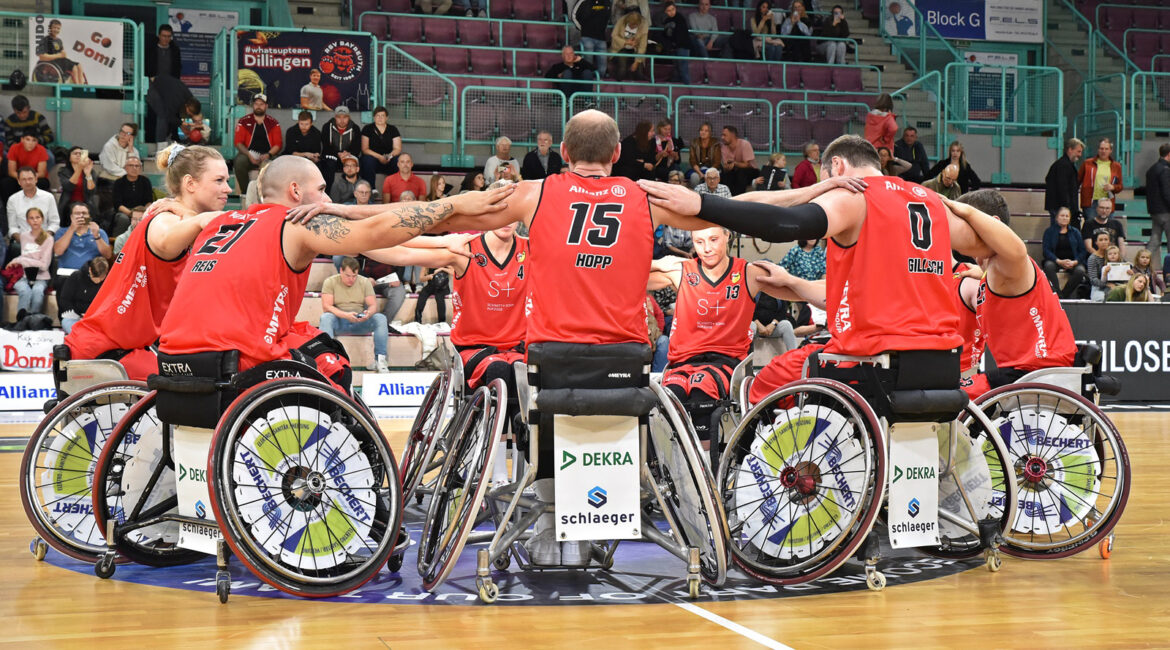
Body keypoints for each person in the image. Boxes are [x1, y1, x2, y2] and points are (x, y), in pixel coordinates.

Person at [638, 134, 992, 405]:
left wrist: (701, 203)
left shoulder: (854, 196)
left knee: (764, 382)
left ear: (837, 168)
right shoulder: (928, 201)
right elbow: (987, 245)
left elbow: (785, 223)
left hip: (870, 358)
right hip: (941, 361)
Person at [158, 156, 512, 391]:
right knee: (333, 361)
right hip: (232, 361)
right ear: (296, 192)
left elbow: (385, 247)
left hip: (172, 358)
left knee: (311, 338)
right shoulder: (296, 222)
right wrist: (454, 204)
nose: (325, 201)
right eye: (323, 191)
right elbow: (377, 233)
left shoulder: (218, 222)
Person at [63, 145, 229, 380]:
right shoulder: (165, 220)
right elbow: (164, 240)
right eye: (219, 180)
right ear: (190, 184)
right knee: (208, 386)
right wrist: (199, 219)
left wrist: (192, 216)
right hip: (106, 352)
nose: (228, 188)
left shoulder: (182, 220)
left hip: (126, 347)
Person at [944, 190, 1077, 396]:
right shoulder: (996, 271)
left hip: (1037, 375)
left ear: (993, 224)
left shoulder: (1008, 262)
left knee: (945, 395)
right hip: (1025, 373)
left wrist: (967, 212)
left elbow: (1017, 250)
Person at [650, 227, 771, 442]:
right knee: (670, 397)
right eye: (699, 241)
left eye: (713, 239)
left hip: (723, 362)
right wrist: (658, 263)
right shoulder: (683, 271)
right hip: (682, 362)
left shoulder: (747, 272)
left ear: (727, 236)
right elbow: (628, 274)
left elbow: (793, 287)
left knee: (701, 393)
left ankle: (707, 465)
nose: (706, 249)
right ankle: (681, 468)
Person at [320, 256, 391, 372]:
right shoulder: (330, 282)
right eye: (348, 276)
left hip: (359, 321)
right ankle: (328, 359)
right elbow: (326, 306)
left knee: (380, 318)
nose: (351, 279)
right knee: (325, 317)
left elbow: (373, 305)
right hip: (339, 321)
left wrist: (368, 313)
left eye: (354, 276)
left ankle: (380, 360)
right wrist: (345, 315)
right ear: (341, 271)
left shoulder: (364, 282)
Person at [6, 207, 53, 320]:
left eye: (37, 217)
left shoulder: (48, 238)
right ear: (27, 221)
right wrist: (16, 260)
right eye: (31, 218)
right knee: (24, 291)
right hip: (23, 275)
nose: (35, 220)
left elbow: (44, 265)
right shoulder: (24, 236)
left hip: (41, 276)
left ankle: (33, 321)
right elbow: (24, 256)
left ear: (42, 219)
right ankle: (21, 322)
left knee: (37, 292)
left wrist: (22, 260)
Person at [233, 94, 282, 195]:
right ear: (253, 105)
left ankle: (269, 195)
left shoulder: (273, 123)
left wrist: (268, 154)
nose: (258, 106)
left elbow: (278, 144)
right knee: (239, 162)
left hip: (268, 155)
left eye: (261, 104)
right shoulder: (244, 121)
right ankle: (246, 193)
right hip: (249, 154)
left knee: (278, 164)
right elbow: (238, 143)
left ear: (266, 106)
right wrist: (248, 155)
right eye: (256, 104)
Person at [1041, 206, 1087, 299]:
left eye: (1067, 216)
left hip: (1072, 262)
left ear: (1070, 219)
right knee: (1048, 266)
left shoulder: (1075, 232)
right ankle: (1057, 294)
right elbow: (1046, 250)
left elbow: (1082, 251)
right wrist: (1058, 261)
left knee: (1080, 271)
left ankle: (1063, 296)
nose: (1064, 218)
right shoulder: (1049, 231)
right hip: (1055, 261)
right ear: (1057, 218)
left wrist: (1075, 262)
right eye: (1062, 215)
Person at [56, 147, 105, 234]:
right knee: (76, 213)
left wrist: (88, 174)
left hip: (86, 204)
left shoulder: (90, 171)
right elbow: (69, 186)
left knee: (85, 216)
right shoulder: (63, 171)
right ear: (69, 158)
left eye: (81, 153)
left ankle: (85, 234)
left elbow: (92, 191)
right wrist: (79, 168)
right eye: (75, 153)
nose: (78, 155)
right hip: (68, 205)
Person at [6, 167, 59, 242]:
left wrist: (42, 239)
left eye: (30, 179)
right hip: (22, 241)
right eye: (24, 179)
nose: (27, 182)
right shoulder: (13, 199)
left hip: (44, 239)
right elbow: (12, 227)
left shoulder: (48, 197)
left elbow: (55, 223)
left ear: (36, 179)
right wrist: (23, 240)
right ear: (19, 181)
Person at [58, 257, 109, 335]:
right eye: (95, 278)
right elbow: (64, 300)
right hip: (75, 317)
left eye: (101, 279)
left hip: (96, 319)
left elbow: (108, 304)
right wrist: (78, 314)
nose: (98, 281)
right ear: (90, 270)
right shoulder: (76, 276)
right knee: (71, 327)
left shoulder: (108, 282)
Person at [3, 96, 56, 170]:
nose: (22, 115)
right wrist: (21, 146)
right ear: (14, 110)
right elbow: (9, 140)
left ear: (29, 108)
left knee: (50, 158)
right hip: (18, 149)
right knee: (6, 158)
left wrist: (36, 142)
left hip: (38, 148)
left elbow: (50, 136)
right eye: (18, 113)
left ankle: (47, 179)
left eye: (25, 112)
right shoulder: (9, 121)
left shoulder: (38, 117)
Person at [321, 106, 363, 194]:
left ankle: (356, 193)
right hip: (332, 157)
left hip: (348, 156)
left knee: (357, 164)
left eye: (345, 117)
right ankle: (327, 194)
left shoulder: (355, 128)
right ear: (335, 117)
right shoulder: (327, 127)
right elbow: (326, 147)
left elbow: (357, 148)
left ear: (349, 117)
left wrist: (348, 154)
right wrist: (338, 155)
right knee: (329, 163)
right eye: (339, 117)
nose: (342, 120)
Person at [1045, 137, 1085, 228]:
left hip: (1059, 207)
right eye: (1078, 151)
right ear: (1070, 149)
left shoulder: (1061, 165)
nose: (1080, 154)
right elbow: (1063, 188)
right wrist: (1067, 208)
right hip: (1061, 207)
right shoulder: (1064, 166)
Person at [1078, 138, 1122, 216]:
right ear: (1098, 150)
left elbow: (1120, 186)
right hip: (1091, 203)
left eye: (1106, 149)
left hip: (1107, 202)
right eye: (1101, 148)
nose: (1103, 151)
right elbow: (1077, 181)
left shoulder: (1116, 166)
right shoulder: (1087, 163)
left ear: (1110, 151)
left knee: (1107, 227)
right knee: (1091, 226)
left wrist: (1113, 187)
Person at [360, 106, 402, 187]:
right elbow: (365, 149)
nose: (380, 118)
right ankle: (371, 188)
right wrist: (379, 157)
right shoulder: (367, 129)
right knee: (367, 160)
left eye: (382, 116)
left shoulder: (393, 129)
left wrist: (389, 156)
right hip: (373, 158)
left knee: (398, 160)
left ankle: (394, 188)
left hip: (388, 158)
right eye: (377, 116)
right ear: (374, 117)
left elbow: (398, 148)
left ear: (387, 118)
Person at [36, 18, 87, 84]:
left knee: (79, 66)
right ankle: (77, 87)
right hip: (51, 64)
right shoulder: (45, 40)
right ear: (50, 28)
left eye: (58, 28)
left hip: (60, 61)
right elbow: (42, 57)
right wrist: (59, 55)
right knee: (74, 68)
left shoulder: (59, 41)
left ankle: (81, 86)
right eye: (54, 27)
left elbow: (62, 53)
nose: (56, 30)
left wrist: (62, 54)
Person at [571, 0, 612, 79]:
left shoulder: (607, 2)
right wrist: (583, 29)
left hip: (601, 38)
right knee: (588, 64)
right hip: (587, 37)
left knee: (603, 66)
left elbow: (608, 18)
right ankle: (588, 82)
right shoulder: (583, 1)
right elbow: (574, 16)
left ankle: (598, 84)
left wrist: (603, 29)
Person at [1145, 142, 1170, 267]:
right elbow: (1167, 192)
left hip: (1154, 211)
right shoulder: (1165, 170)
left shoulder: (1152, 169)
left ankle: (1141, 263)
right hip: (1166, 211)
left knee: (1154, 241)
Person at [659, 2, 694, 84]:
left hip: (683, 46)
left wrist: (675, 43)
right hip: (674, 47)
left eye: (672, 9)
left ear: (675, 9)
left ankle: (688, 88)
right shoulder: (667, 20)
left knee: (683, 68)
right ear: (665, 11)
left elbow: (681, 34)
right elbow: (666, 34)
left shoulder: (680, 18)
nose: (671, 12)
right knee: (677, 68)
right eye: (668, 10)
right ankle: (679, 88)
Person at [285, 111, 324, 184]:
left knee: (320, 166)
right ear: (298, 122)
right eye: (301, 124)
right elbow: (291, 152)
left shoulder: (316, 133)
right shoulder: (291, 131)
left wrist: (315, 156)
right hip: (292, 160)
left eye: (307, 124)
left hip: (310, 160)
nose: (304, 126)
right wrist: (306, 154)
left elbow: (316, 151)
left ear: (311, 123)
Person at [609, 11, 649, 80]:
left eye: (634, 26)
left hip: (636, 50)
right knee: (622, 69)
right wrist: (625, 42)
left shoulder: (644, 25)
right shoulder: (621, 20)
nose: (632, 27)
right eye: (630, 25)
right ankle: (617, 85)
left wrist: (637, 62)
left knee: (639, 72)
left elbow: (642, 46)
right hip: (621, 49)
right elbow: (614, 35)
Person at [112, 157, 155, 221]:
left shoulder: (145, 181)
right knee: (123, 219)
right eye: (131, 165)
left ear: (140, 168)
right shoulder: (119, 182)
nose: (134, 168)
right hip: (125, 212)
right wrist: (131, 214)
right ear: (125, 168)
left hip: (141, 211)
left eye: (137, 166)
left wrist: (144, 212)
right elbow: (118, 204)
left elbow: (149, 201)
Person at [720, 125, 757, 195]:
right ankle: (726, 197)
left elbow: (747, 165)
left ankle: (738, 199)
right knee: (724, 174)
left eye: (724, 135)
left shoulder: (745, 144)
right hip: (734, 170)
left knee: (741, 173)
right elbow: (726, 164)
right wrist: (727, 167)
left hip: (751, 171)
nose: (722, 137)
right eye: (722, 135)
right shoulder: (724, 147)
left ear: (733, 135)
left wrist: (734, 163)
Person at [688, 122, 722, 187]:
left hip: (712, 169)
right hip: (698, 170)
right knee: (694, 177)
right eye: (701, 130)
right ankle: (696, 195)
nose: (703, 132)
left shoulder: (715, 143)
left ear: (710, 133)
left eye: (706, 131)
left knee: (711, 177)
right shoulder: (694, 142)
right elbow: (693, 161)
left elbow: (717, 162)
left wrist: (708, 173)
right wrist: (700, 173)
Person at [1086, 231, 1112, 302]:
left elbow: (1125, 265)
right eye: (1101, 240)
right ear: (1096, 242)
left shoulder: (1114, 254)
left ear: (1109, 242)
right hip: (1098, 288)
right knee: (1102, 298)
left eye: (1106, 239)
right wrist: (1107, 285)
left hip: (1114, 286)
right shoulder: (1093, 258)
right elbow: (1093, 279)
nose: (1103, 242)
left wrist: (1129, 270)